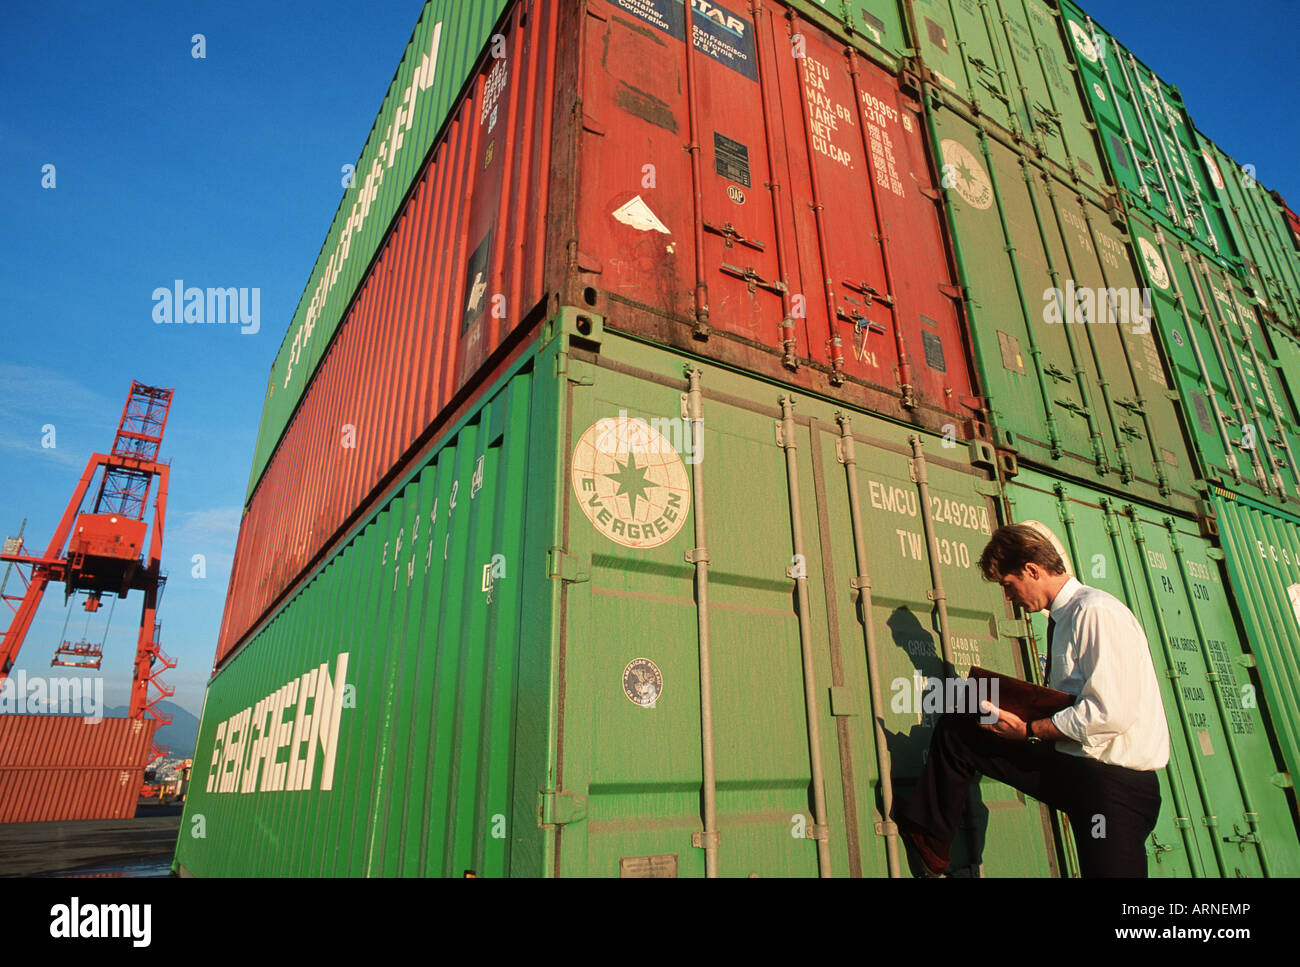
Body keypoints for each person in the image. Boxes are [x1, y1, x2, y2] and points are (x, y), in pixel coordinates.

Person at [894, 524, 1169, 878]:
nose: (1008, 598)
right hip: (1076, 771)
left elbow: (1109, 713)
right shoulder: (1064, 619)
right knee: (963, 723)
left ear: (1032, 571)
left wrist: (1029, 729)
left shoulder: (1096, 612)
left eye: (1008, 585)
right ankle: (931, 839)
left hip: (1113, 788)